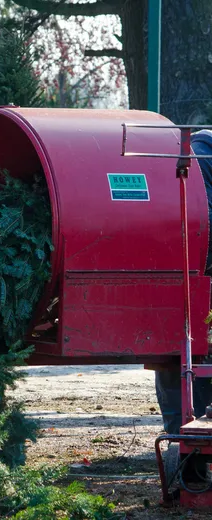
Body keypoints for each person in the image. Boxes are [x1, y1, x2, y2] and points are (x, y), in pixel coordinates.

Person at [155, 129, 212, 434]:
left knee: (181, 350)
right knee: (187, 350)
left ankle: (181, 429)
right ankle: (183, 430)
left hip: (187, 268)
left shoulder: (198, 152)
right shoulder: (204, 153)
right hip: (191, 271)